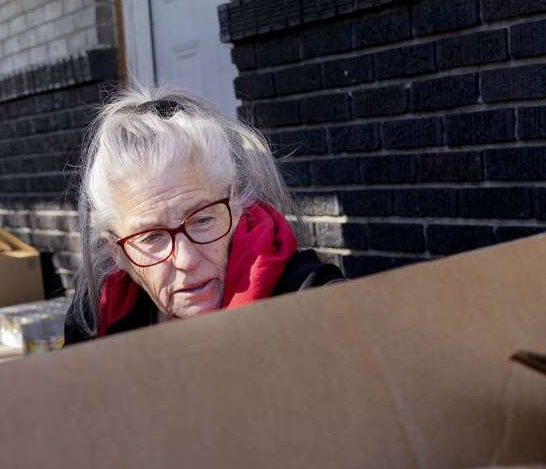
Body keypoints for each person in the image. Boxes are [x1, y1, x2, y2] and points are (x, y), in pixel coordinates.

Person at [65, 86, 344, 342]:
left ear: (235, 205)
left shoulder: (311, 301)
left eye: (202, 220)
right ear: (116, 251)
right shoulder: (95, 319)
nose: (186, 259)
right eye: (151, 237)